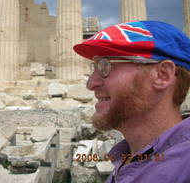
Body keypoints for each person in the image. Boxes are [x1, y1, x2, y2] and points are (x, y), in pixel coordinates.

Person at [73, 20, 190, 182]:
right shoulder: (125, 159)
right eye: (94, 68)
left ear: (162, 75)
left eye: (105, 66)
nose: (90, 84)